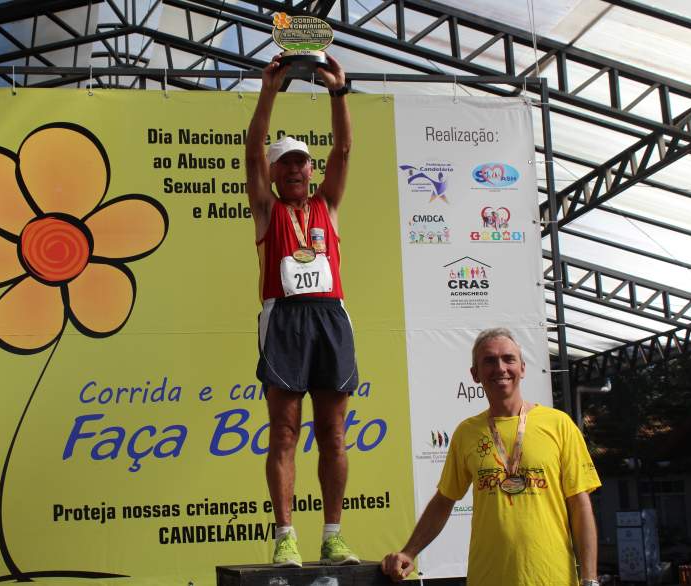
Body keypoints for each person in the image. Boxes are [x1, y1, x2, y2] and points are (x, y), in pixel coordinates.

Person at [245, 53, 358, 568]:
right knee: (285, 432)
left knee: (334, 433)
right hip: (285, 320)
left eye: (301, 161)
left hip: (330, 316)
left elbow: (346, 149)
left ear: (310, 170)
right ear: (273, 172)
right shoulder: (267, 209)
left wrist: (338, 93)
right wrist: (269, 90)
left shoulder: (326, 205)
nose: (295, 168)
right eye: (285, 162)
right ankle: (285, 535)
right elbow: (250, 152)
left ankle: (333, 535)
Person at [381, 328, 601, 585]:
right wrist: (409, 551)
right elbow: (444, 500)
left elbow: (579, 504)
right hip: (488, 577)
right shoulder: (467, 432)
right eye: (489, 360)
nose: (500, 367)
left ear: (523, 368)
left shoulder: (558, 424)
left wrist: (590, 579)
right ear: (475, 374)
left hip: (552, 577)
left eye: (509, 359)